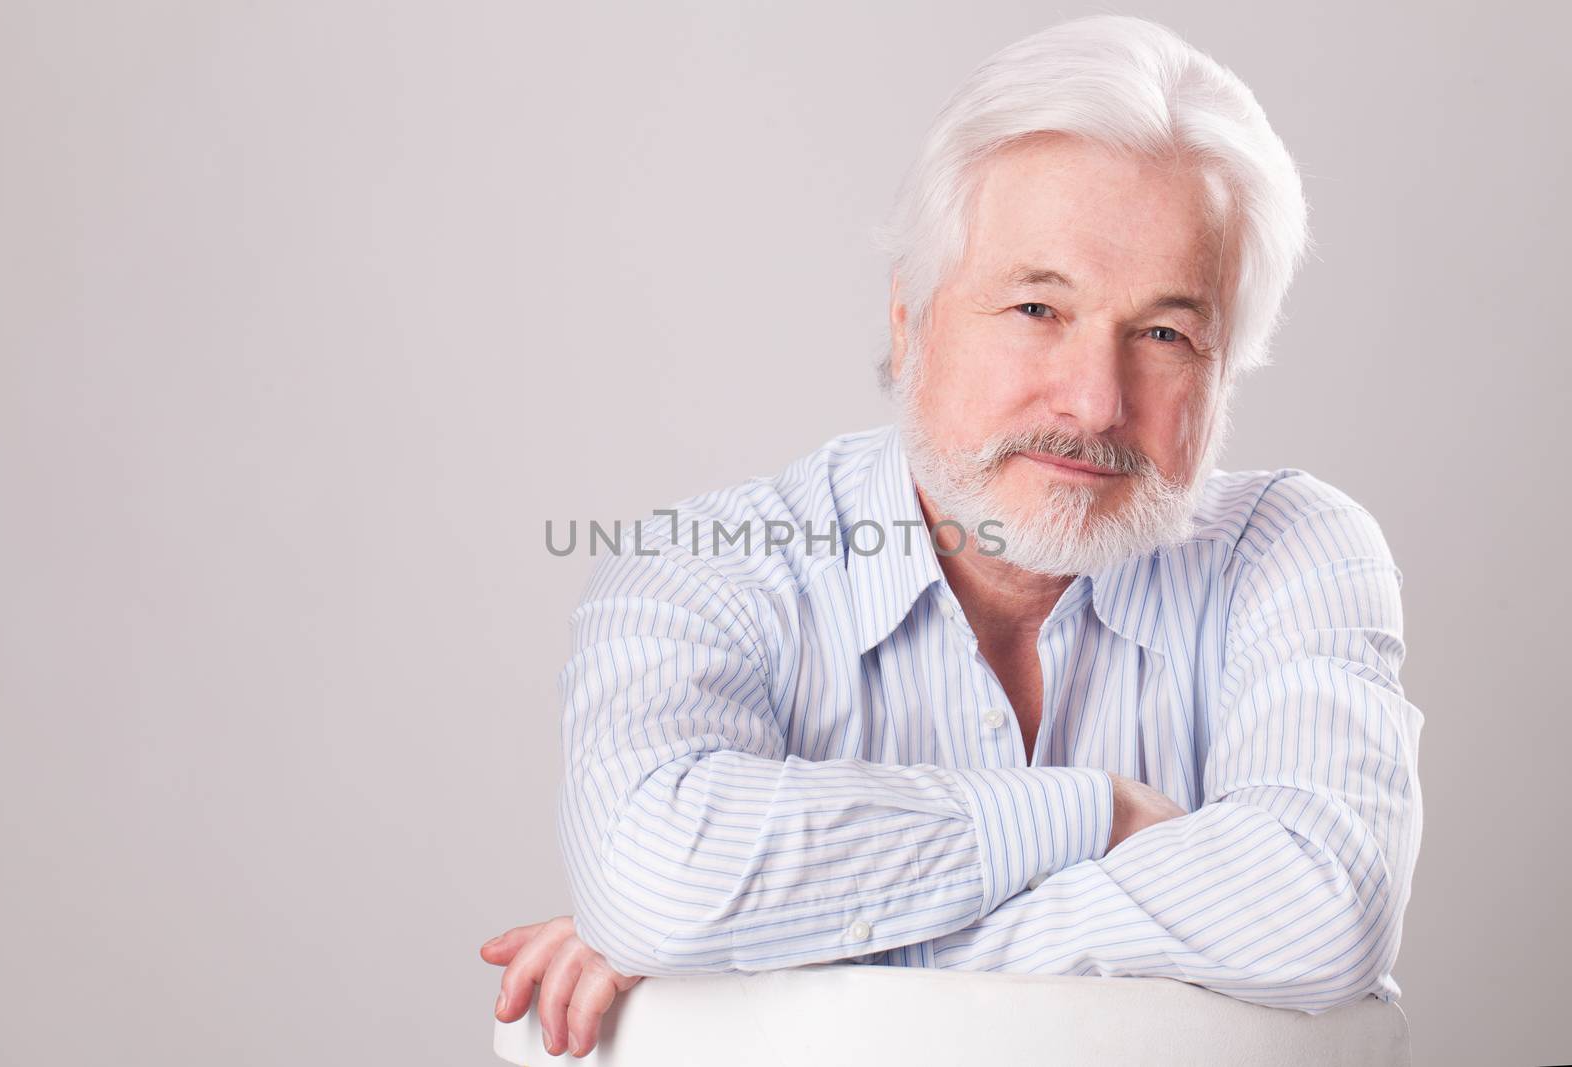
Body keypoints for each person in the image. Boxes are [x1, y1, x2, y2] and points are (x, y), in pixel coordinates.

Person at [479, 14, 1424, 1060]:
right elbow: (656, 875)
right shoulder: (702, 569)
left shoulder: (1291, 552)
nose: (1094, 401)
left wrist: (757, 943)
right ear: (909, 317)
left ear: (1224, 367)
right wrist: (1091, 813)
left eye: (1163, 333)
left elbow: (1321, 907)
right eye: (1034, 307)